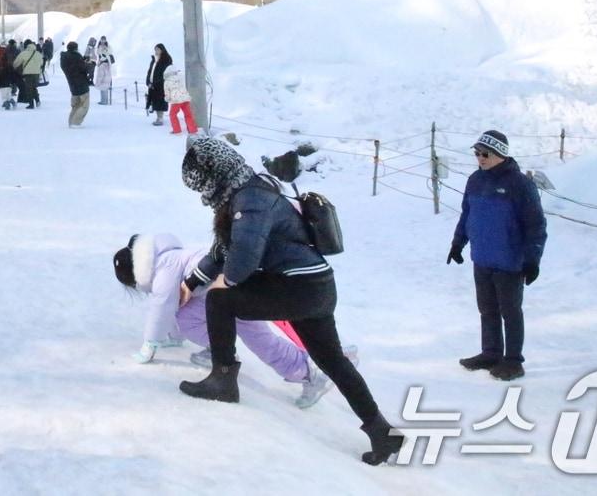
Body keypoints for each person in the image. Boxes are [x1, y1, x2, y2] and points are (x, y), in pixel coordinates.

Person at [177, 136, 403, 465]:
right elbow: (223, 251)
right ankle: (383, 433)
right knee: (334, 362)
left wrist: (222, 282)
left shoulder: (249, 200)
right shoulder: (250, 189)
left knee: (219, 301)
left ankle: (222, 380)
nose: (203, 193)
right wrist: (192, 280)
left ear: (216, 173)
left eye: (203, 184)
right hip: (316, 286)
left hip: (298, 286)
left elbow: (241, 261)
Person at [112, 233, 340, 409]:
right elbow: (174, 304)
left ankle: (309, 373)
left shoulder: (163, 271)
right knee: (192, 317)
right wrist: (171, 336)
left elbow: (162, 306)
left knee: (246, 334)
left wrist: (150, 344)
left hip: (226, 289)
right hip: (230, 282)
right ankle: (305, 370)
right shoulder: (166, 257)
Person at [448, 130, 547, 381]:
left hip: (509, 262)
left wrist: (532, 260)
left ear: (500, 154)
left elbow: (536, 225)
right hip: (481, 258)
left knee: (510, 311)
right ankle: (491, 352)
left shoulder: (520, 185)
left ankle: (513, 361)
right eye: (477, 153)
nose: (480, 158)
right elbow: (467, 215)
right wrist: (458, 244)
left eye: (485, 154)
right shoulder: (474, 180)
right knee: (487, 309)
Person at [60, 41, 94, 127]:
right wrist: (90, 64)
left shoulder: (63, 58)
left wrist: (82, 60)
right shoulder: (77, 57)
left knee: (75, 106)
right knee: (84, 106)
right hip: (82, 84)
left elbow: (75, 66)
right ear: (75, 48)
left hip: (72, 85)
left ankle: (71, 122)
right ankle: (76, 122)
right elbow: (83, 68)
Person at [163, 66, 198, 135]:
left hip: (176, 100)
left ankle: (177, 131)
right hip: (185, 98)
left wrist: (167, 99)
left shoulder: (167, 81)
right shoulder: (181, 78)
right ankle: (193, 130)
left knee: (172, 115)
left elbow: (167, 93)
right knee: (188, 114)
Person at [145, 44, 171, 126]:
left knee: (160, 101)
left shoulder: (166, 60)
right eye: (155, 49)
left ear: (162, 50)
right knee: (155, 101)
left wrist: (156, 82)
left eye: (158, 49)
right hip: (152, 85)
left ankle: (160, 118)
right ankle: (158, 117)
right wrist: (148, 82)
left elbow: (165, 73)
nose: (156, 51)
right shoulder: (154, 60)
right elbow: (150, 71)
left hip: (161, 85)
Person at [13, 40, 44, 109]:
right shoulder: (38, 54)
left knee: (28, 88)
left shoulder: (24, 53)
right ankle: (37, 100)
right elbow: (41, 63)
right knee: (33, 87)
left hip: (28, 73)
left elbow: (16, 62)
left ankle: (31, 104)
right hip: (37, 73)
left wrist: (14, 67)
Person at [93, 37, 115, 106]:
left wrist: (105, 50)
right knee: (102, 84)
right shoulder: (99, 46)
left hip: (105, 64)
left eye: (104, 40)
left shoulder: (108, 46)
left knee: (104, 83)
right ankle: (103, 100)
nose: (102, 41)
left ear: (105, 40)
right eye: (102, 40)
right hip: (102, 63)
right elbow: (97, 53)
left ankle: (104, 101)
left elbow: (110, 52)